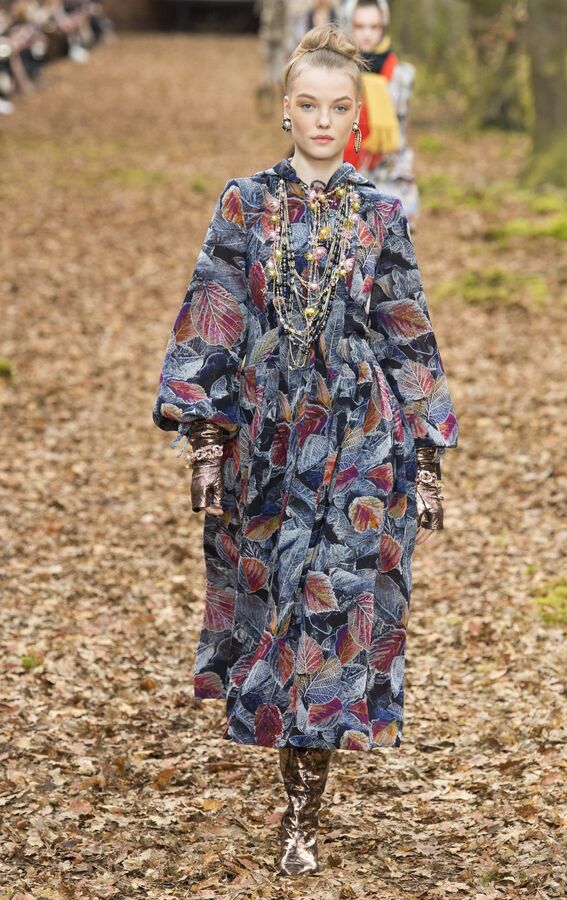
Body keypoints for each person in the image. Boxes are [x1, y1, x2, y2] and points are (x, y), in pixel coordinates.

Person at [152, 23, 458, 877]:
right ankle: (290, 783)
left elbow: (406, 331)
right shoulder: (244, 203)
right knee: (277, 612)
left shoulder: (381, 213)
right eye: (309, 106)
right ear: (286, 110)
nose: (324, 121)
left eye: (339, 107)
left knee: (333, 614)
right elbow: (213, 311)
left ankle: (303, 820)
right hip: (268, 440)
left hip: (360, 442)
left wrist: (430, 459)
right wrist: (204, 444)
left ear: (359, 116)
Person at [342, 0, 420, 223]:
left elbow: (400, 133)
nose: (367, 34)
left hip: (387, 173)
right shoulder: (336, 72)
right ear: (349, 25)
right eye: (360, 26)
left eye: (374, 27)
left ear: (383, 27)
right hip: (341, 171)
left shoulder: (401, 75)